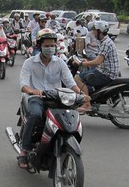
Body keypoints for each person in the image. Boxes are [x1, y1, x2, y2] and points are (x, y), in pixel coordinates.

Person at [18, 28, 83, 168]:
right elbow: (23, 84)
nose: (50, 48)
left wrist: (81, 96)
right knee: (35, 115)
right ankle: (24, 151)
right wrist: (33, 91)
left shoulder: (60, 63)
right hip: (37, 98)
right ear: (39, 45)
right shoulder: (29, 63)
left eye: (52, 45)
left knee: (70, 117)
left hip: (57, 98)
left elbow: (70, 82)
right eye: (46, 46)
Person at [73, 20, 120, 112]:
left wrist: (82, 63)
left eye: (94, 30)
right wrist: (87, 61)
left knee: (78, 78)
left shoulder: (106, 43)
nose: (93, 33)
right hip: (107, 70)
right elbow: (100, 59)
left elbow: (98, 61)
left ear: (99, 31)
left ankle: (87, 104)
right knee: (88, 73)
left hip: (106, 73)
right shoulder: (105, 41)